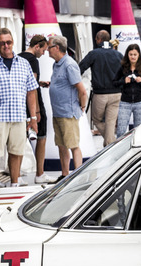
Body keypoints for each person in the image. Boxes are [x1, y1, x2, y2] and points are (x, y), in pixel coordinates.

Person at [0, 28, 39, 188]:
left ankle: (14, 183)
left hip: (19, 116)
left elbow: (31, 91)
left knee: (17, 151)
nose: (6, 45)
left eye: (8, 42)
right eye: (2, 43)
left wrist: (33, 117)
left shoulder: (24, 64)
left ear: (13, 42)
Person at [48, 36, 87, 177]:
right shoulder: (57, 64)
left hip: (68, 113)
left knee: (73, 145)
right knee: (61, 145)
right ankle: (65, 175)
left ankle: (78, 176)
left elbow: (82, 90)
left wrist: (82, 106)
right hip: (58, 112)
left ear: (57, 48)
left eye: (49, 47)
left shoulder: (69, 64)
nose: (47, 50)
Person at [19, 35, 54, 184]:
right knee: (41, 137)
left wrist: (40, 83)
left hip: (20, 104)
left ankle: (17, 175)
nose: (44, 54)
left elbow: (24, 82)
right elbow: (31, 87)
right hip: (34, 104)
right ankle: (40, 173)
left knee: (19, 140)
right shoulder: (33, 60)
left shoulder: (19, 57)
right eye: (43, 50)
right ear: (37, 47)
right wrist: (36, 113)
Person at [79, 30, 123, 147]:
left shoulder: (94, 53)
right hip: (117, 93)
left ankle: (112, 143)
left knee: (97, 120)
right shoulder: (118, 55)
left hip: (100, 94)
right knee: (110, 122)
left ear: (98, 39)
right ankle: (111, 143)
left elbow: (80, 68)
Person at [113, 44, 141, 137]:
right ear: (127, 55)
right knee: (121, 130)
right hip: (125, 102)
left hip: (139, 103)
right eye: (131, 54)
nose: (133, 57)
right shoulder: (123, 68)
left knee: (139, 130)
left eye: (135, 54)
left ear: (139, 55)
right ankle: (121, 149)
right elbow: (114, 82)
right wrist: (123, 81)